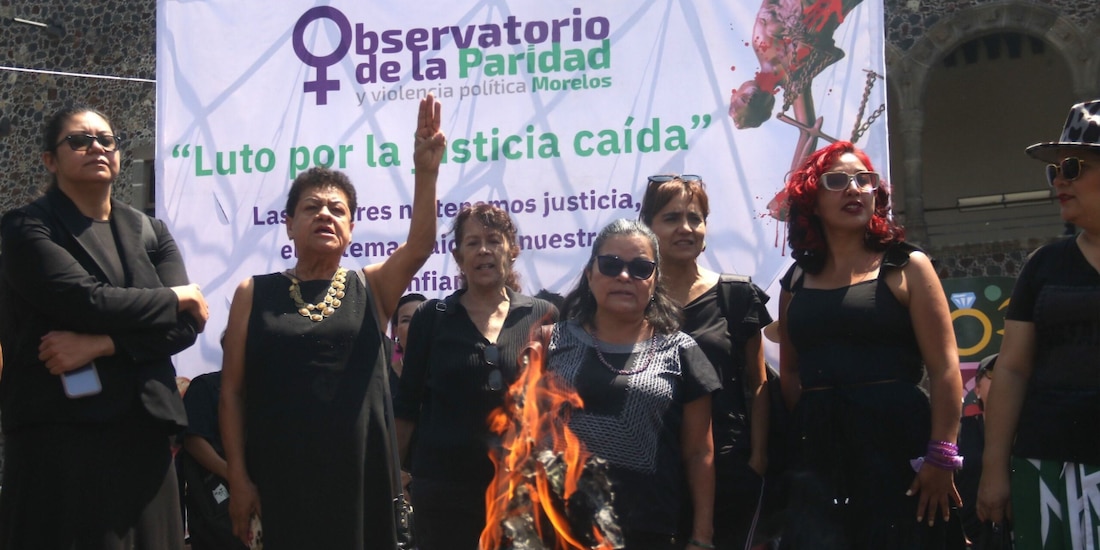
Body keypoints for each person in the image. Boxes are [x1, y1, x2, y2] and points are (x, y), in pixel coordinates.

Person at [219, 93, 446, 549]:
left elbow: (419, 246)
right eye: (311, 207)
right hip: (280, 480)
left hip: (360, 481)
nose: (325, 213)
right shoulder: (252, 293)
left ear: (351, 229)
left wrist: (426, 171)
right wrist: (238, 479)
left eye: (337, 209)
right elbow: (232, 394)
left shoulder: (372, 287)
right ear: (289, 225)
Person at [0, 105, 209, 549]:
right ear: (50, 160)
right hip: (61, 438)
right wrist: (175, 297)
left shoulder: (151, 231)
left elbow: (187, 326)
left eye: (106, 139)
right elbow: (86, 301)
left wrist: (104, 344)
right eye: (79, 140)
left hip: (146, 436)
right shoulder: (26, 228)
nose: (96, 147)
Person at [775, 141, 964, 549]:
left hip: (898, 446)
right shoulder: (795, 280)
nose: (854, 189)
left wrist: (941, 455)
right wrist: (813, 426)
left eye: (865, 180)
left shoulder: (908, 266)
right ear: (811, 199)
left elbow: (946, 368)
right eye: (837, 181)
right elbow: (790, 372)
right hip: (818, 458)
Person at [546, 218, 720, 550]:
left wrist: (702, 537)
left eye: (640, 268)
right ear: (589, 273)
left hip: (649, 534)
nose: (624, 276)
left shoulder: (681, 351)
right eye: (611, 265)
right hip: (560, 531)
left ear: (655, 281)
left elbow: (700, 453)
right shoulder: (550, 343)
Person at [394, 203, 558, 550]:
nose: (484, 250)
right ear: (458, 256)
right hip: (444, 500)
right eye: (472, 243)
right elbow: (406, 407)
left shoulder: (543, 316)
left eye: (493, 240)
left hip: (520, 496)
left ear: (512, 250)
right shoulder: (431, 318)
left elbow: (553, 411)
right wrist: (391, 482)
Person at [977, 99, 1100, 549]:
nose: (1059, 181)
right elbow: (1011, 369)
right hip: (1047, 469)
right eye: (1054, 171)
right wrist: (994, 469)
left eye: (1072, 167)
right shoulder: (1043, 266)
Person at [638, 175, 774, 549]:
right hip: (654, 472)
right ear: (648, 227)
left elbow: (759, 384)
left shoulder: (736, 295)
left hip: (729, 470)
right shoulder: (633, 300)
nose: (685, 228)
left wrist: (757, 459)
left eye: (694, 218)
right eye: (671, 218)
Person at [181, 369, 245, 550]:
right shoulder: (206, 387)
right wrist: (234, 475)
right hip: (217, 510)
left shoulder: (268, 393)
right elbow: (192, 440)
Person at [955, 354, 995, 547]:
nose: (1002, 380)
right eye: (993, 373)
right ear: (977, 388)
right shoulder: (959, 430)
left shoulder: (1032, 433)